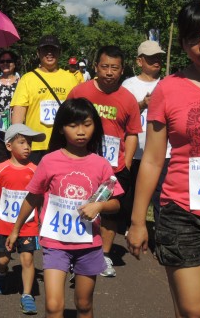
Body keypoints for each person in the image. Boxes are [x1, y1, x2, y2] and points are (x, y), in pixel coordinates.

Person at [127, 0, 200, 318]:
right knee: (193, 310)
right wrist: (137, 222)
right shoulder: (168, 90)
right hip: (183, 212)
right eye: (193, 38)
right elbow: (152, 160)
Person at [7, 98, 123, 318]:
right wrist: (16, 229)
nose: (81, 132)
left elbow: (116, 203)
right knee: (53, 306)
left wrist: (99, 205)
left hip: (88, 244)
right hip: (55, 242)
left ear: (95, 126)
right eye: (73, 125)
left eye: (87, 125)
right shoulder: (50, 161)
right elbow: (32, 197)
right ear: (60, 128)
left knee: (84, 304)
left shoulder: (101, 164)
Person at [67, 46, 141, 278]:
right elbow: (66, 122)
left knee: (110, 212)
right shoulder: (80, 91)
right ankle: (74, 253)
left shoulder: (128, 99)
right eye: (105, 66)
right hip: (81, 161)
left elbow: (131, 133)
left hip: (113, 167)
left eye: (115, 68)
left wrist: (126, 164)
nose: (109, 72)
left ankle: (104, 255)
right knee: (77, 205)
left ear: (122, 70)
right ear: (96, 67)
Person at [0, 124, 43, 315]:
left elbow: (40, 196)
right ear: (9, 146)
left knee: (27, 259)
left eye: (29, 143)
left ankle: (27, 295)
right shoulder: (1, 169)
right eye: (22, 142)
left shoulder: (35, 170)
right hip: (4, 223)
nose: (27, 147)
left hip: (28, 224)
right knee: (3, 259)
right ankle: (1, 273)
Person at [121, 40, 170, 224]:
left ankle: (160, 236)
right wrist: (141, 104)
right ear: (139, 61)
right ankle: (129, 227)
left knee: (161, 196)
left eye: (158, 57)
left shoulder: (168, 84)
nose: (156, 61)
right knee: (131, 194)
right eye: (151, 58)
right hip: (135, 153)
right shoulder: (128, 85)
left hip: (163, 153)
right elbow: (122, 116)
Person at [11, 35, 79, 164]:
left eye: (53, 50)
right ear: (38, 53)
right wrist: (17, 143)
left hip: (64, 144)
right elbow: (18, 115)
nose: (49, 54)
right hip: (36, 145)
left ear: (59, 53)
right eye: (45, 50)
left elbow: (77, 113)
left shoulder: (71, 79)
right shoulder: (27, 79)